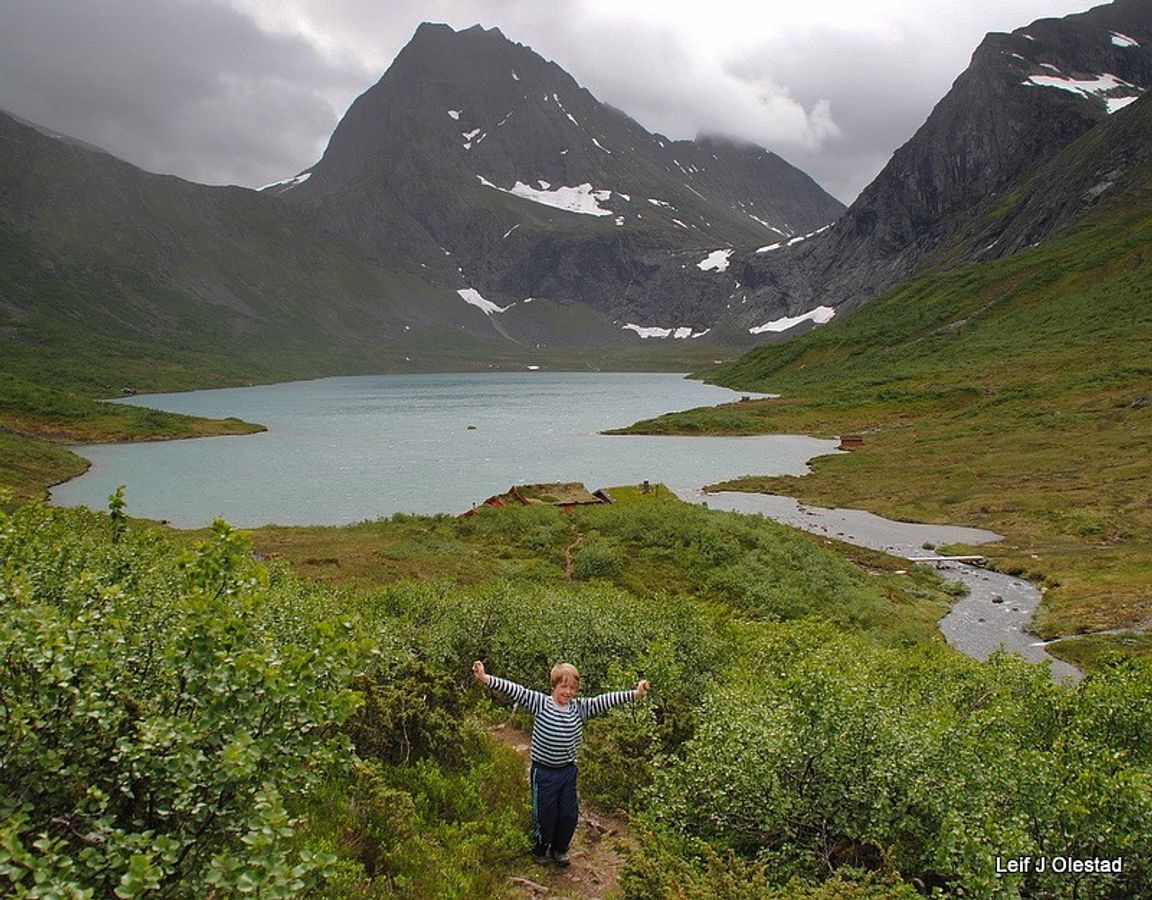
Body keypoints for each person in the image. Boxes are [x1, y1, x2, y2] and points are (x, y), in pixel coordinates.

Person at [472, 659, 650, 867]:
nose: (568, 692)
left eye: (572, 688)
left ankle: (560, 849)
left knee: (568, 815)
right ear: (553, 687)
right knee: (545, 816)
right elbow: (515, 690)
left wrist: (635, 694)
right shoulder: (540, 702)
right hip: (543, 772)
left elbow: (606, 700)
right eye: (563, 687)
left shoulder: (580, 708)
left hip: (567, 771)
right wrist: (485, 678)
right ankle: (540, 848)